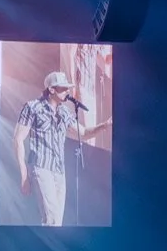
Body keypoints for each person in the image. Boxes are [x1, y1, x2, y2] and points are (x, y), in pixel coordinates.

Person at [14, 69, 103, 228]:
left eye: (68, 88)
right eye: (63, 88)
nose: (67, 91)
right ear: (51, 89)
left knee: (56, 222)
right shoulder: (33, 107)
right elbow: (18, 139)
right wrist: (24, 175)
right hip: (41, 167)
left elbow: (83, 133)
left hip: (59, 171)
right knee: (51, 218)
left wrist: (105, 125)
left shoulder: (64, 112)